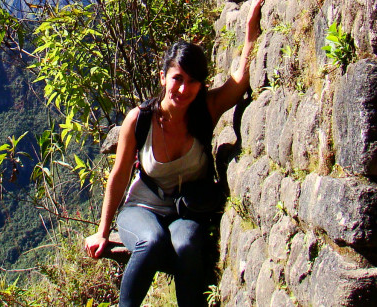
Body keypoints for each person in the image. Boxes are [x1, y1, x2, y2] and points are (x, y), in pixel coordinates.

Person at [83, 0, 264, 306]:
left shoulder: (205, 110)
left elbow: (238, 82)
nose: (184, 89)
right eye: (178, 78)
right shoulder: (140, 119)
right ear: (163, 77)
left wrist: (250, 35)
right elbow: (120, 174)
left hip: (187, 210)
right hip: (142, 209)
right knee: (150, 242)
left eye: (192, 81)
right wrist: (102, 231)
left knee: (189, 244)